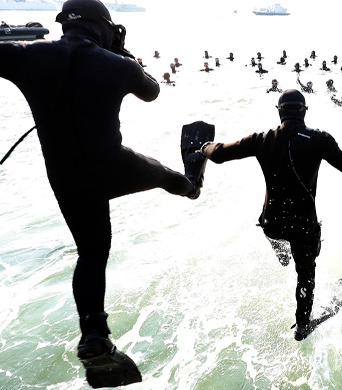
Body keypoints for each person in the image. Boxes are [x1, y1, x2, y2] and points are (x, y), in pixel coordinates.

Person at [0, 0, 209, 387]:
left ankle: (94, 336)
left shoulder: (27, 56)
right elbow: (152, 92)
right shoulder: (118, 65)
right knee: (169, 177)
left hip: (65, 178)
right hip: (114, 166)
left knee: (91, 253)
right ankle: (192, 183)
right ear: (104, 27)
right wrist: (122, 56)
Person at [192, 89, 342, 340]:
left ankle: (282, 255)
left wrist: (203, 148)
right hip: (303, 225)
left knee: (278, 238)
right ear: (305, 111)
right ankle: (302, 326)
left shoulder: (262, 139)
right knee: (306, 273)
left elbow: (220, 153)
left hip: (272, 223)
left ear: (279, 112)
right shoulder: (320, 139)